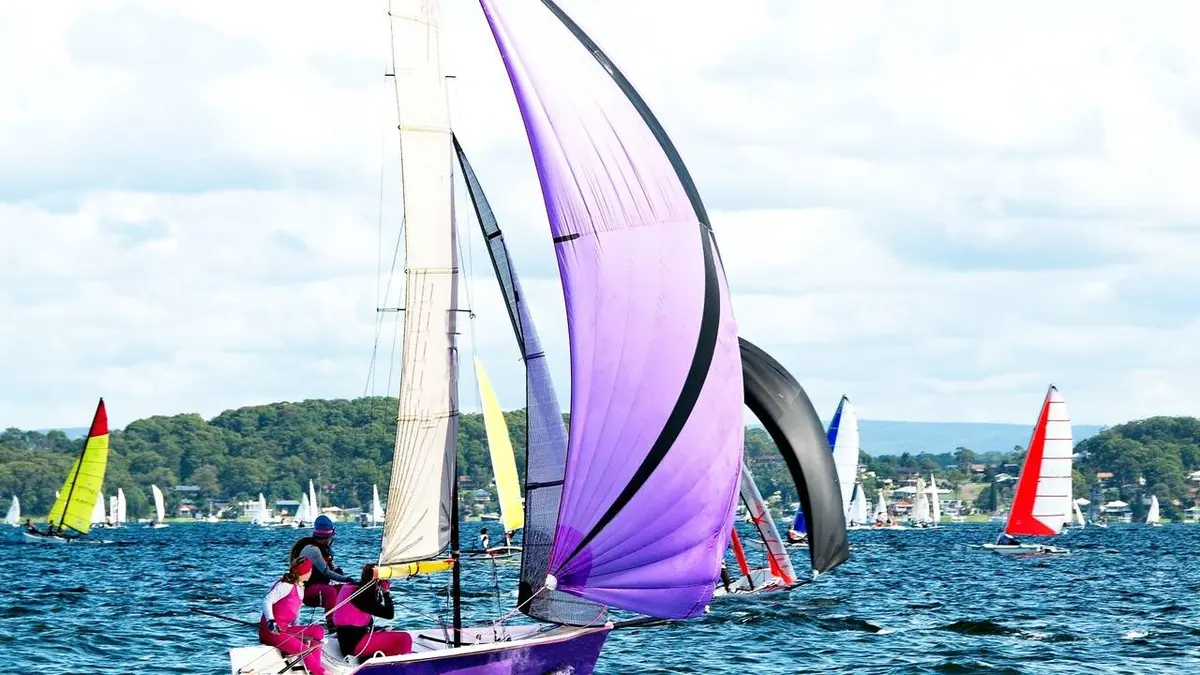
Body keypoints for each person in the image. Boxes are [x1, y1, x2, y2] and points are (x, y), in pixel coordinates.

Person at [259, 557, 328, 675]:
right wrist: (270, 621)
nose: (311, 572)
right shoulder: (285, 586)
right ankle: (319, 672)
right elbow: (267, 601)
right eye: (310, 570)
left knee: (318, 631)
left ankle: (314, 668)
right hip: (272, 632)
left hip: (285, 629)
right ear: (306, 572)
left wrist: (298, 632)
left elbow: (296, 611)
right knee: (304, 650)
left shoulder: (300, 587)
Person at [332, 564, 413, 660]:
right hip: (354, 646)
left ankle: (375, 658)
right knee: (405, 638)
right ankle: (395, 664)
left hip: (348, 641)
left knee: (387, 630)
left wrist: (377, 588)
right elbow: (389, 614)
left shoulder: (350, 587)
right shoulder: (361, 596)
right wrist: (386, 591)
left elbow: (374, 605)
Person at [289, 515, 355, 617]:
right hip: (307, 590)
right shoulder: (313, 550)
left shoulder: (324, 549)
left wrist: (348, 580)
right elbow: (326, 572)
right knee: (331, 592)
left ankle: (346, 620)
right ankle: (331, 623)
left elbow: (333, 567)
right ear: (328, 537)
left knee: (348, 589)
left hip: (320, 587)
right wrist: (347, 579)